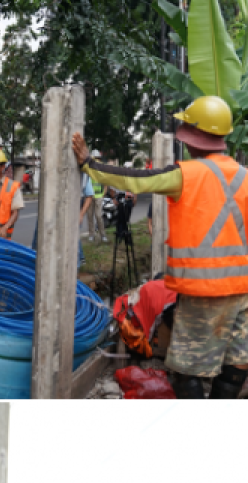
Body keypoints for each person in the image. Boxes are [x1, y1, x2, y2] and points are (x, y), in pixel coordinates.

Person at [72, 95, 248, 399]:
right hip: (243, 290)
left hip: (202, 291)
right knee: (235, 365)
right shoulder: (245, 177)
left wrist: (90, 165)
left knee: (183, 370)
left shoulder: (185, 175)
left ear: (193, 136)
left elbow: (136, 180)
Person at [86, 151, 110, 243]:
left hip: (99, 195)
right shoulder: (89, 169)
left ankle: (102, 235)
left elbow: (105, 181)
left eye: (97, 158)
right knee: (89, 216)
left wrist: (104, 191)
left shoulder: (101, 169)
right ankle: (91, 234)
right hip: (90, 196)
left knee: (98, 216)